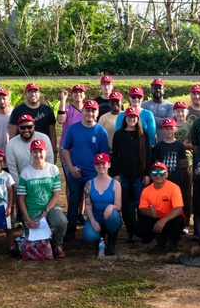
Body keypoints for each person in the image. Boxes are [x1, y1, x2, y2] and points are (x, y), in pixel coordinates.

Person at [60, 99, 110, 242]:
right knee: (74, 202)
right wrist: (70, 167)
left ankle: (98, 228)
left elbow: (104, 157)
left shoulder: (101, 132)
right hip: (76, 173)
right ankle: (71, 230)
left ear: (97, 113)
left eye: (93, 111)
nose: (89, 113)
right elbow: (66, 149)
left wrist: (99, 174)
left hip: (93, 175)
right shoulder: (73, 129)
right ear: (82, 111)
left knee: (94, 203)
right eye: (87, 110)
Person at [17, 138, 70, 257]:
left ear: (46, 152)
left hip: (50, 208)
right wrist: (27, 219)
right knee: (37, 246)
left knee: (62, 221)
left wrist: (46, 212)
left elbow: (56, 194)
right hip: (32, 211)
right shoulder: (25, 172)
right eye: (35, 152)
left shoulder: (53, 169)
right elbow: (21, 198)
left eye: (41, 151)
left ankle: (57, 244)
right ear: (31, 153)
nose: (38, 155)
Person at [111, 106, 151, 243]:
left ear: (137, 118)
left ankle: (143, 231)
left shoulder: (143, 134)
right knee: (126, 204)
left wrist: (147, 174)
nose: (131, 119)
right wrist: (115, 173)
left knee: (141, 205)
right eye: (129, 117)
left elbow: (148, 155)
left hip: (139, 175)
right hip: (123, 175)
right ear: (125, 118)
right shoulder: (119, 134)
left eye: (134, 117)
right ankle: (129, 231)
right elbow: (114, 156)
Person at [136, 161, 185, 252]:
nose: (158, 175)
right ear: (150, 175)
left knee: (178, 220)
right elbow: (141, 209)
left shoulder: (174, 188)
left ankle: (173, 242)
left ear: (166, 174)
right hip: (155, 219)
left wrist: (163, 220)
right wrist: (148, 212)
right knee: (139, 227)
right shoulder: (146, 190)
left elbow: (178, 209)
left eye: (161, 172)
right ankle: (160, 240)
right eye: (155, 172)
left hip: (170, 219)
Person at [83, 153, 122, 255]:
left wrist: (111, 206)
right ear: (94, 166)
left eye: (103, 164)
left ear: (109, 164)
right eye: (98, 164)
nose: (101, 167)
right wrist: (92, 220)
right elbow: (88, 204)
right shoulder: (89, 184)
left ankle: (111, 240)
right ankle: (99, 237)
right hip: (96, 215)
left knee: (113, 216)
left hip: (109, 215)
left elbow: (118, 206)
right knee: (88, 236)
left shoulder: (115, 184)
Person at [4, 115, 54, 186]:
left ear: (34, 126)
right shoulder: (11, 144)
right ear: (18, 128)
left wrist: (46, 184)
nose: (26, 130)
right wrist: (21, 189)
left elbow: (50, 162)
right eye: (22, 127)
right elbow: (13, 171)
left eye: (29, 127)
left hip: (43, 182)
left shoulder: (44, 138)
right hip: (23, 184)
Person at [170, 101, 195, 230]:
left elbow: (192, 145)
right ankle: (175, 220)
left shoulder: (190, 126)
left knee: (186, 194)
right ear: (174, 112)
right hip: (172, 165)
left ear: (187, 112)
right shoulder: (171, 126)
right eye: (177, 110)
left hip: (187, 164)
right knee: (174, 194)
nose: (180, 113)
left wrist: (178, 144)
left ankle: (186, 222)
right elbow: (168, 142)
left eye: (182, 110)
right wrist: (182, 144)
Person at [7, 82, 58, 146]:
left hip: (43, 148)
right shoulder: (18, 110)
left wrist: (54, 150)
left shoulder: (47, 110)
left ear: (39, 94)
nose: (33, 94)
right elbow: (12, 134)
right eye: (30, 92)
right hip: (23, 147)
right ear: (25, 94)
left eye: (35, 92)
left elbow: (52, 133)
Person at [151, 118, 186, 193]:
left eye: (171, 128)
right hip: (162, 176)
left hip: (175, 176)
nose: (169, 131)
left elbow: (181, 160)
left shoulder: (179, 145)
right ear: (163, 130)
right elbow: (157, 161)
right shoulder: (159, 145)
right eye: (166, 129)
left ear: (175, 129)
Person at [142, 78, 174, 142]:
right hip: (147, 140)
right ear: (151, 90)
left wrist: (149, 117)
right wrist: (161, 120)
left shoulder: (170, 106)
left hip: (165, 141)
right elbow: (142, 122)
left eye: (160, 88)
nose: (158, 90)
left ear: (164, 90)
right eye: (155, 88)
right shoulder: (144, 105)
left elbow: (167, 123)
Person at [57, 84, 86, 150]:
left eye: (80, 92)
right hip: (67, 146)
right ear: (71, 95)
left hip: (83, 145)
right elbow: (60, 120)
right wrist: (63, 100)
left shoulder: (88, 109)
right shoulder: (66, 108)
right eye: (75, 92)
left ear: (84, 95)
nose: (78, 94)